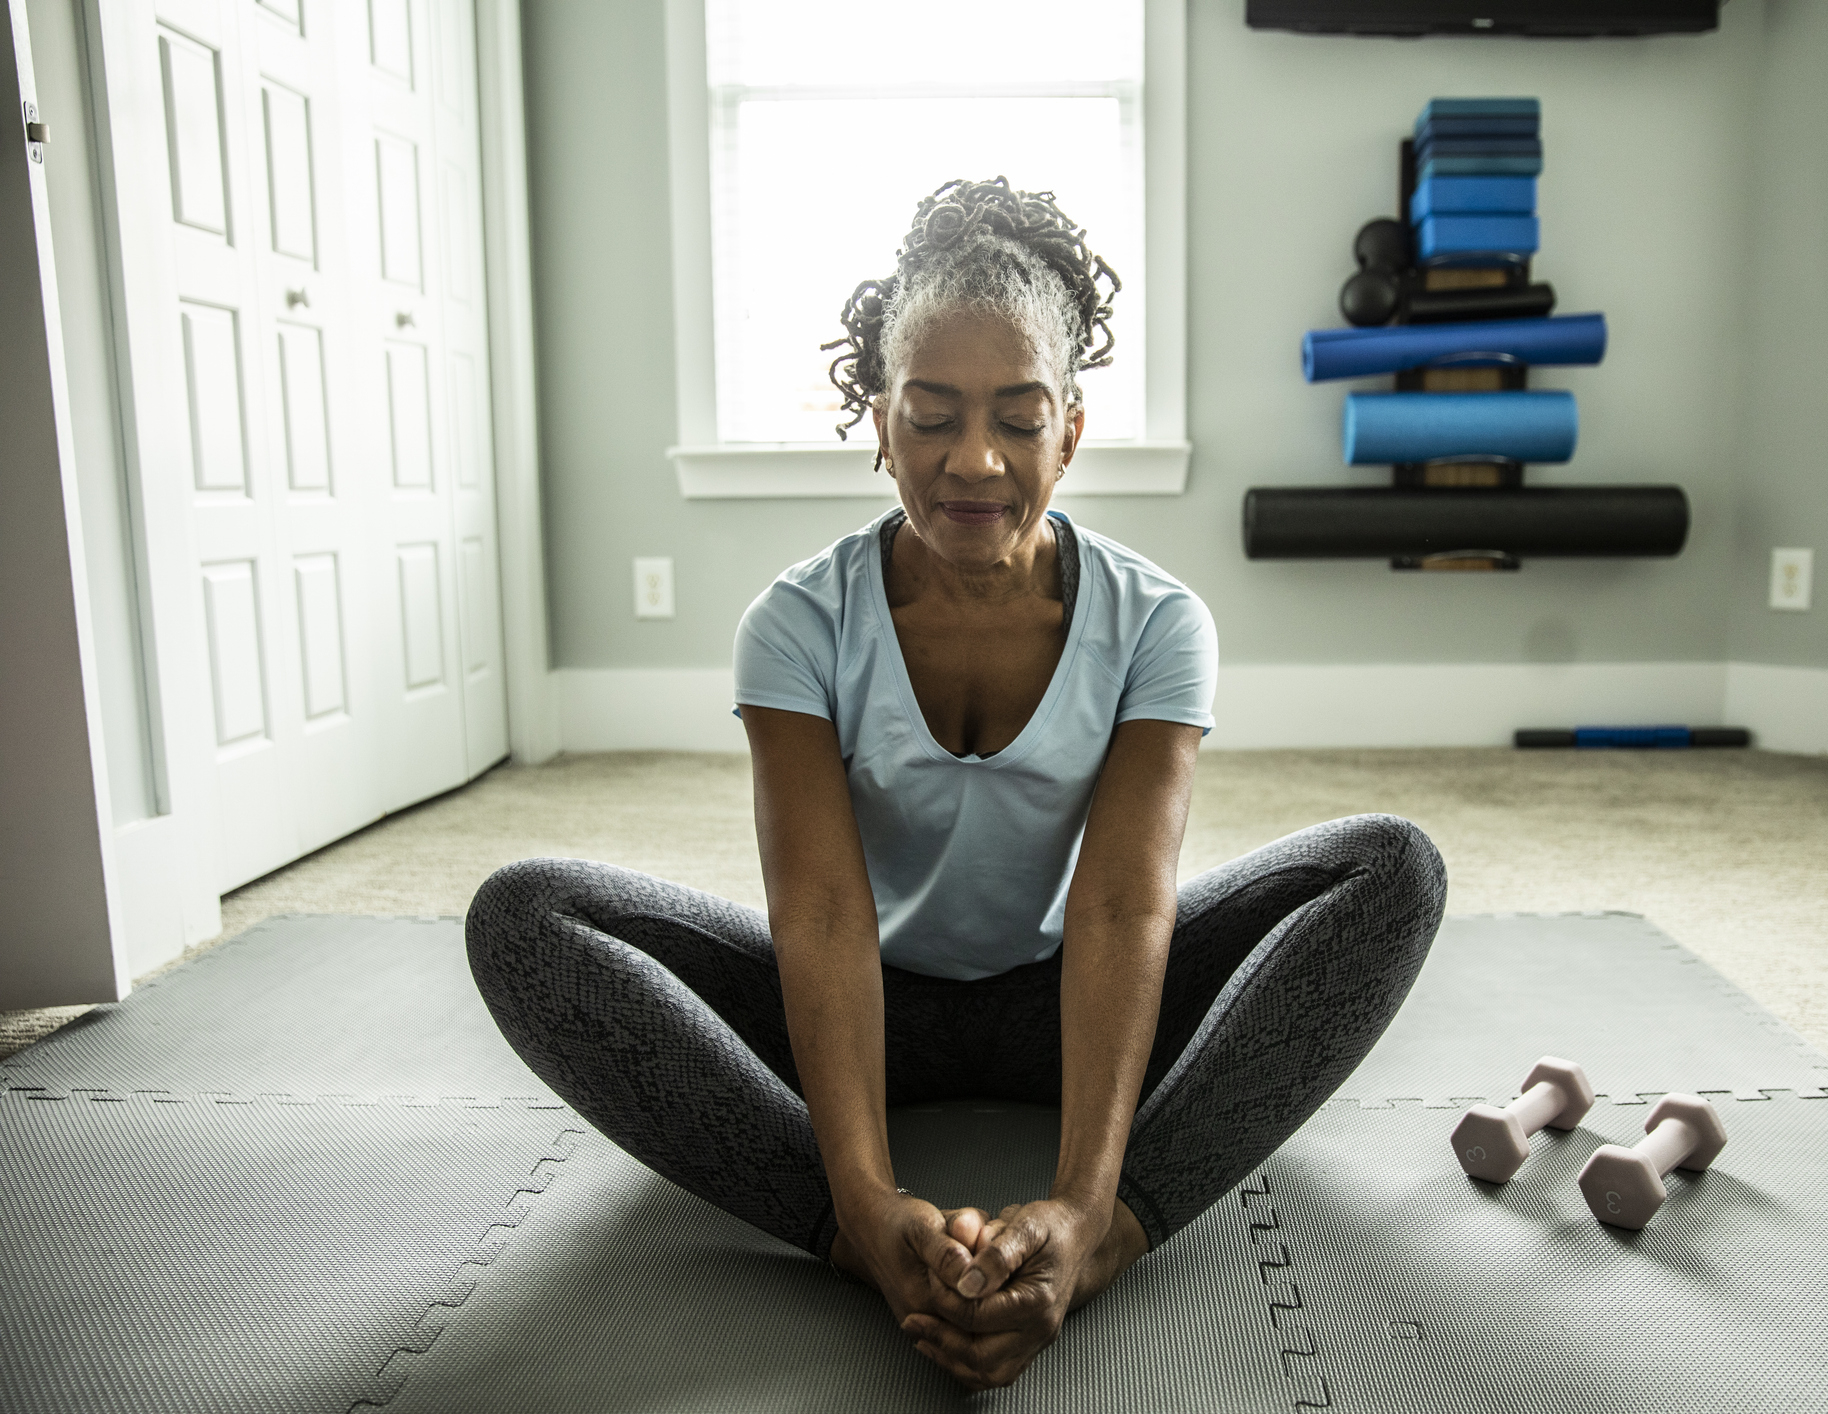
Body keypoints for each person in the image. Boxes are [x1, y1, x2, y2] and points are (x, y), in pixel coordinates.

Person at [466, 178, 1446, 1391]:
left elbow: (1125, 908)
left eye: (1017, 420)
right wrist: (871, 1201)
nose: (973, 459)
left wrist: (1086, 1209)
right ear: (879, 423)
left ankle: (1120, 1235)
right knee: (525, 916)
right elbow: (820, 916)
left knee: (1390, 868)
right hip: (864, 998)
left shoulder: (1158, 625)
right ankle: (855, 1242)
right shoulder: (796, 623)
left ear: (1070, 432)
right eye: (930, 416)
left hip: (1070, 998)